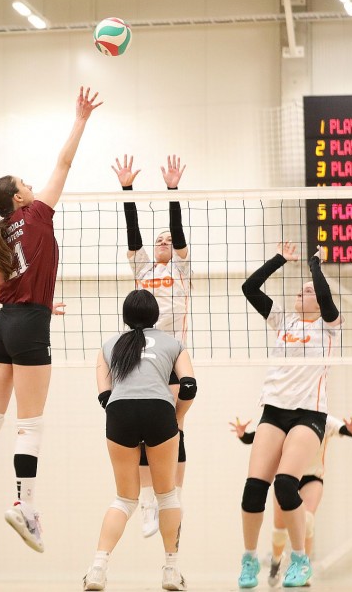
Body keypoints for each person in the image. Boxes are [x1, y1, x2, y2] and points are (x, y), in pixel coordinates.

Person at [0, 86, 102, 553]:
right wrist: (81, 119)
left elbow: (1, 290)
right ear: (18, 195)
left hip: (4, 326)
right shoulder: (37, 213)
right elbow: (64, 163)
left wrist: (42, 301)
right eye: (24, 182)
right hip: (29, 326)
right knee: (29, 423)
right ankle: (23, 506)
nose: (32, 184)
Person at [236, 241, 342, 589]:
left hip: (309, 414)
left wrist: (315, 267)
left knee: (285, 484)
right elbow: (250, 287)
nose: (302, 293)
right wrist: (280, 259)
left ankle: (299, 559)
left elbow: (325, 297)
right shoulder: (283, 320)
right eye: (301, 290)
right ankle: (249, 559)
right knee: (254, 490)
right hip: (274, 410)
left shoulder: (329, 326)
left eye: (308, 291)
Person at [82, 289, 196, 591]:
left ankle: (97, 569)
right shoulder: (173, 343)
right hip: (160, 410)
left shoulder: (108, 345)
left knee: (124, 498)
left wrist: (125, 416)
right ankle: (171, 570)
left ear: (125, 316)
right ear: (155, 315)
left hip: (120, 412)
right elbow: (189, 385)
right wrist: (176, 417)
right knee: (167, 496)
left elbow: (104, 396)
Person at [113, 153, 191, 538]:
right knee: (143, 434)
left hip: (171, 357)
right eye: (158, 240)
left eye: (168, 240)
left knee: (174, 428)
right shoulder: (143, 269)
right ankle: (147, 502)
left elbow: (177, 231)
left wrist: (172, 190)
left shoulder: (181, 269)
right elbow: (134, 235)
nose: (163, 242)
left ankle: (168, 498)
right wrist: (127, 189)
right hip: (142, 357)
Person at [231, 413, 352, 584]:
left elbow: (342, 429)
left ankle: (303, 566)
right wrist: (244, 435)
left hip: (311, 478)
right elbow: (263, 437)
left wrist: (351, 430)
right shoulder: (284, 415)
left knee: (307, 521)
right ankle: (276, 562)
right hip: (285, 479)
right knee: (279, 529)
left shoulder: (322, 419)